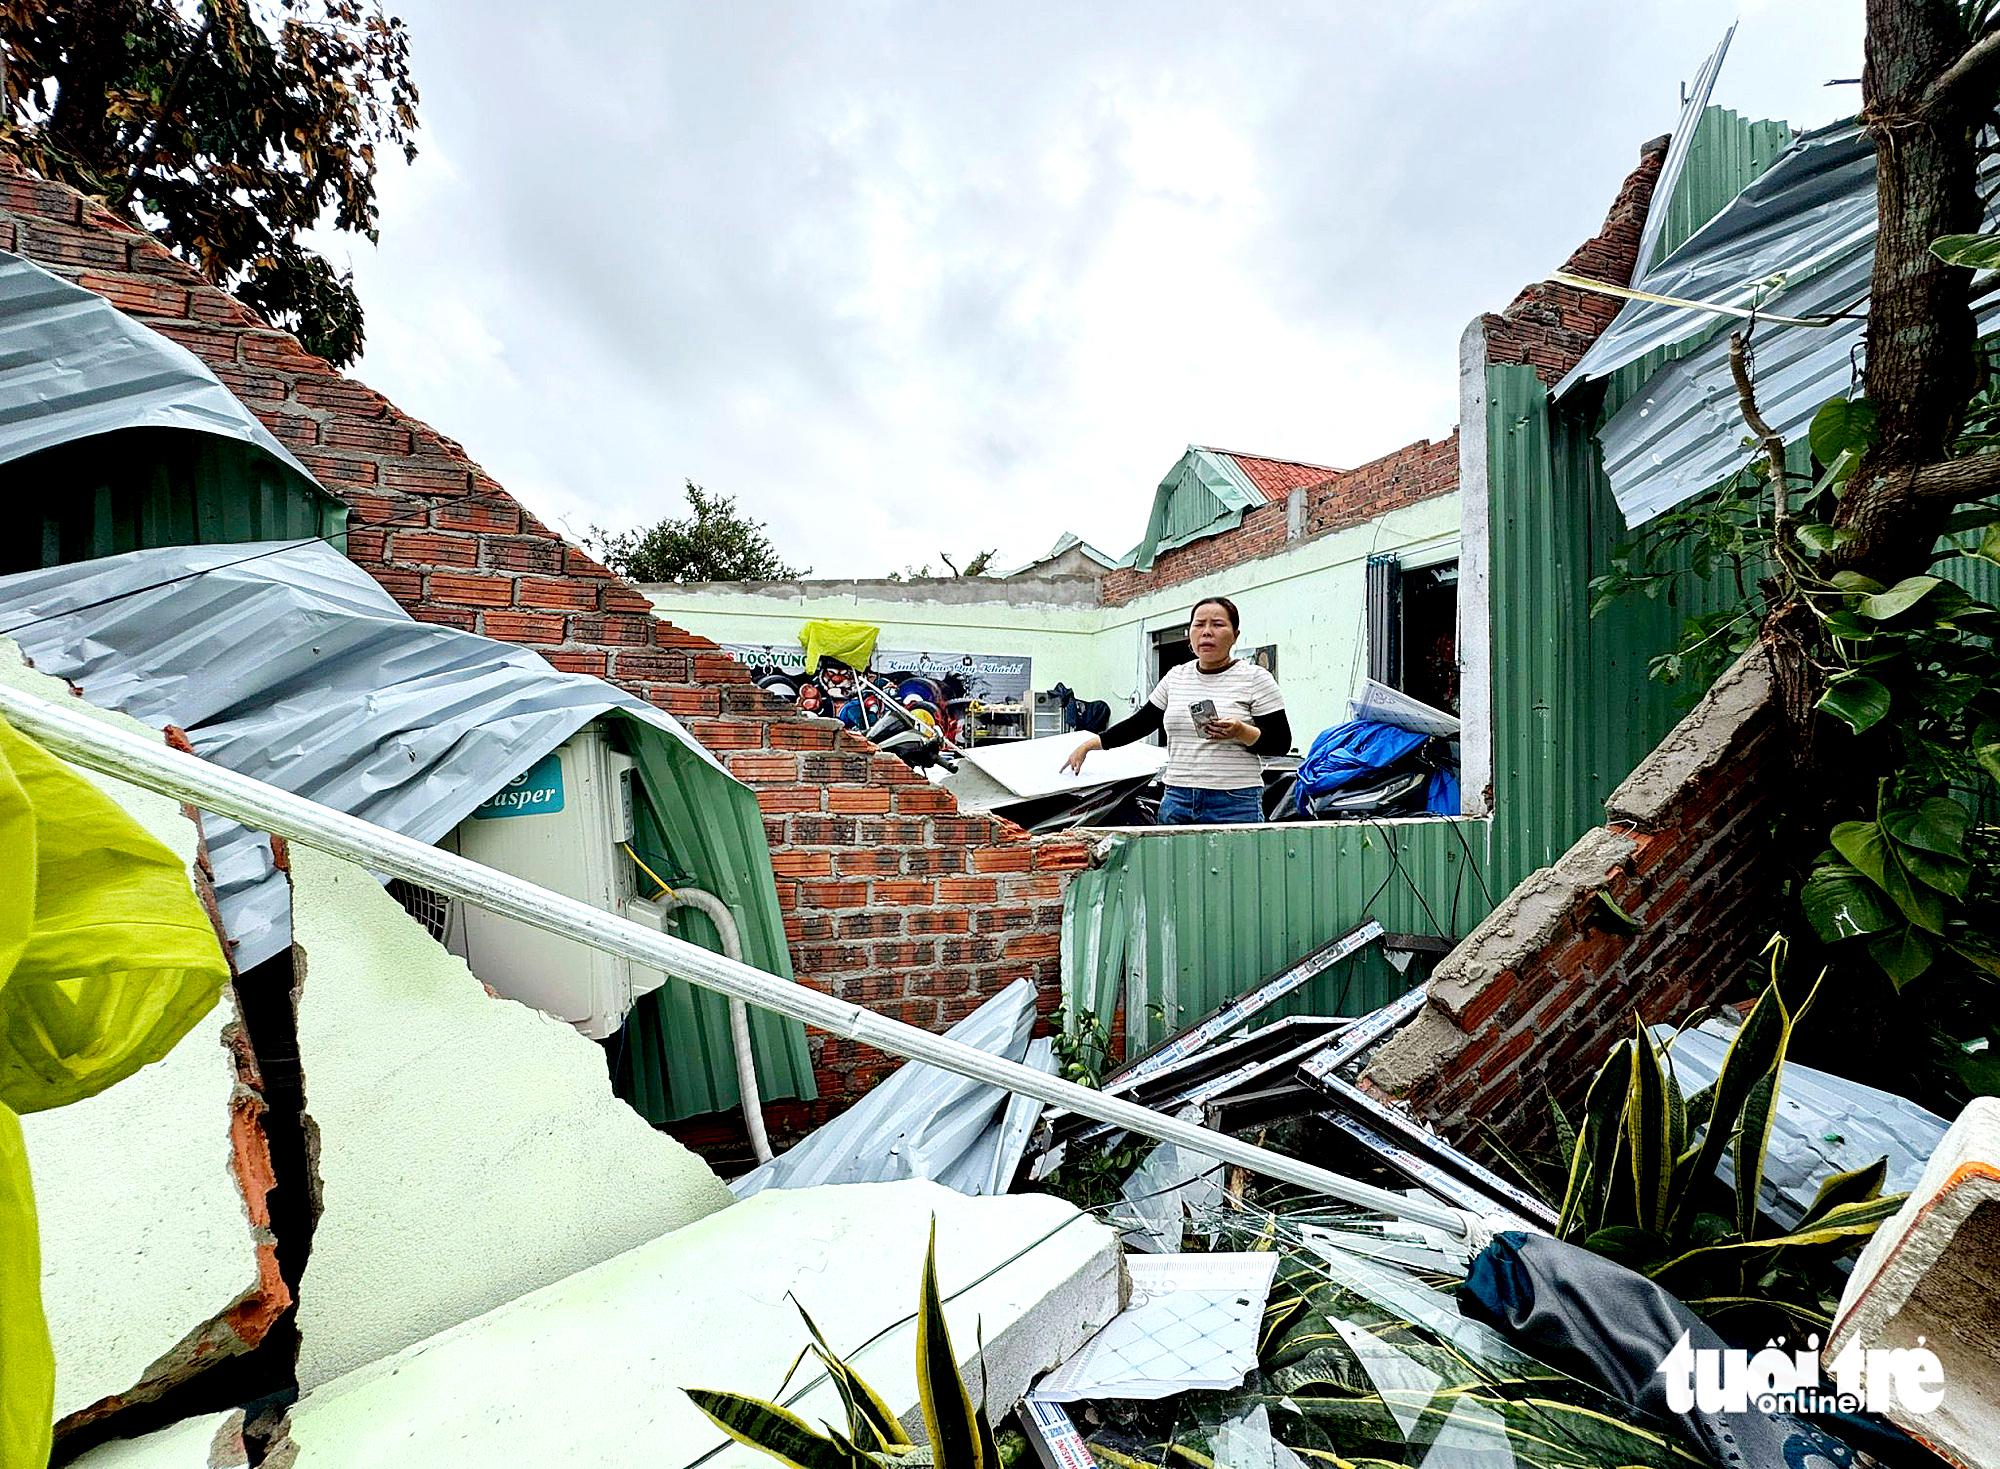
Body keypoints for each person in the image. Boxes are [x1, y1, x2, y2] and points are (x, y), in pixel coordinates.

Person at [1062, 596, 1290, 825]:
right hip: (1178, 798)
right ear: (1189, 633)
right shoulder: (1176, 677)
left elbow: (1280, 742)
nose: (1207, 632)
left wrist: (1241, 731)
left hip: (1234, 800)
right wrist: (1090, 745)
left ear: (1235, 635)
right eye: (1199, 624)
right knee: (1174, 862)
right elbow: (1141, 723)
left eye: (1218, 624)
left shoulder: (1255, 678)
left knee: (1236, 863)